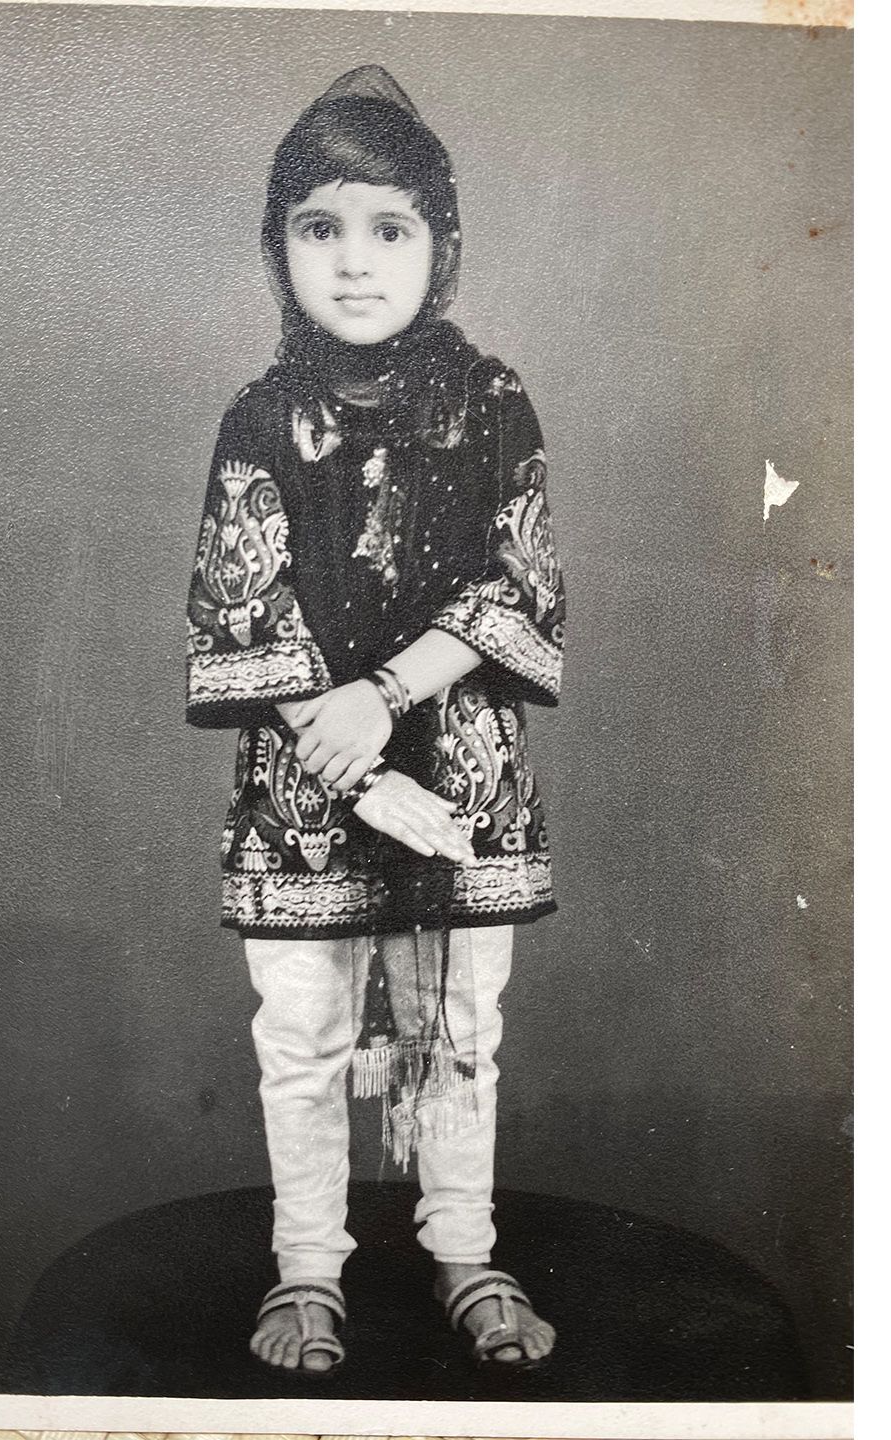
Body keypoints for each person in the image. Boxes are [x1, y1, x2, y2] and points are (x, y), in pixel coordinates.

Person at [183, 63, 566, 1378]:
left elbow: (515, 583)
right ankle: (307, 1267)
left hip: (457, 774)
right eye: (321, 227)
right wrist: (347, 753)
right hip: (308, 783)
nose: (354, 262)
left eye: (388, 229)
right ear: (279, 247)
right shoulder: (261, 417)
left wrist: (387, 697)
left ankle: (464, 1247)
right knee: (303, 1037)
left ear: (439, 248)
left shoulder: (493, 401)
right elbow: (244, 598)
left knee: (458, 1032)